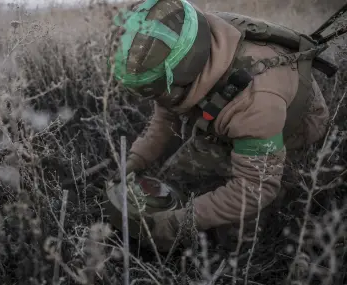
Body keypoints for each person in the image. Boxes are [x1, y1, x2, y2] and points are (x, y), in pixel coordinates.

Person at [107, 0, 330, 253]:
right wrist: (135, 160)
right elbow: (164, 116)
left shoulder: (256, 101)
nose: (160, 99)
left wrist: (179, 223)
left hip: (289, 131)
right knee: (174, 182)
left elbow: (256, 188)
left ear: (184, 76)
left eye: (162, 92)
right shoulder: (185, 39)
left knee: (234, 243)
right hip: (237, 117)